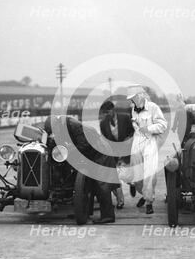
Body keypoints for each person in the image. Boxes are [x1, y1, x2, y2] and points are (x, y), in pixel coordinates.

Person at [44, 115, 117, 224]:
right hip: (93, 153)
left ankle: (108, 216)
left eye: (54, 131)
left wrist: (67, 152)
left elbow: (84, 145)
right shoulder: (63, 126)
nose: (54, 133)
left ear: (57, 125)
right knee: (90, 184)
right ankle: (84, 212)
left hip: (101, 152)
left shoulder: (73, 125)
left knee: (102, 186)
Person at [126, 85, 168, 215]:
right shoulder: (133, 109)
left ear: (140, 96)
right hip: (137, 141)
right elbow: (135, 123)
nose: (131, 102)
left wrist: (148, 129)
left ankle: (149, 202)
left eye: (133, 99)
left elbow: (163, 125)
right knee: (137, 173)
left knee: (149, 173)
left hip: (150, 142)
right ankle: (144, 195)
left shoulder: (153, 108)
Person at [99, 100, 135, 209]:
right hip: (112, 153)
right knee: (114, 178)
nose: (106, 115)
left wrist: (130, 139)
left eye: (108, 112)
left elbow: (134, 131)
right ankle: (120, 201)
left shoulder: (125, 117)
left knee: (126, 175)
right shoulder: (103, 123)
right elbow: (104, 138)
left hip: (126, 150)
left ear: (113, 110)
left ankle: (131, 184)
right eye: (104, 113)